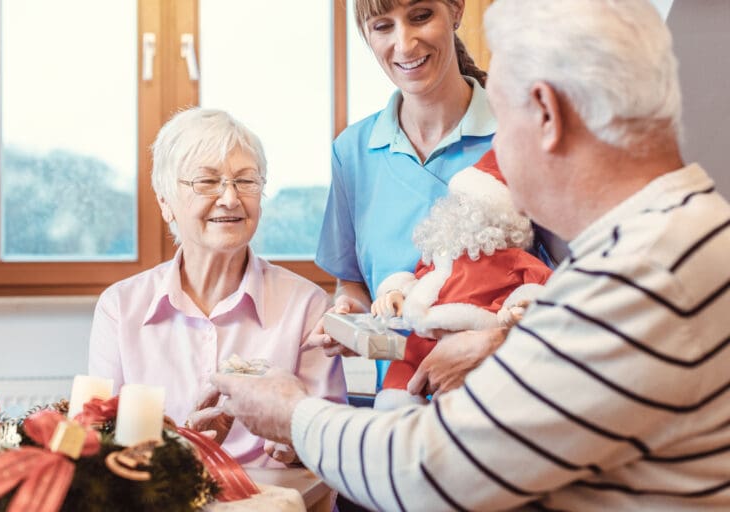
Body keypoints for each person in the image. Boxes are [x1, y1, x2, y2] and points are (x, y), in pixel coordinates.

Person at [204, 0, 730, 509]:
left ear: (545, 112)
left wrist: (292, 414)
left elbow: (430, 472)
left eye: (501, 110)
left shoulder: (641, 273)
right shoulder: (675, 235)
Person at [88, 108, 346, 468]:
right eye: (207, 182)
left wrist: (297, 448)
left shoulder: (306, 305)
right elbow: (97, 446)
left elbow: (336, 449)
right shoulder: (119, 307)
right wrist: (179, 451)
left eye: (246, 181)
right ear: (165, 202)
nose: (230, 198)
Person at [311, 0, 506, 386]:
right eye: (383, 26)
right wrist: (351, 311)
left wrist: (497, 340)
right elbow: (353, 282)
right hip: (399, 410)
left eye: (420, 17)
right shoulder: (352, 153)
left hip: (501, 402)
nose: (404, 44)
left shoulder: (518, 132)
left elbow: (567, 283)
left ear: (456, 10)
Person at [369, 150, 552, 408]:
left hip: (474, 346)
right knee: (398, 390)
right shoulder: (441, 252)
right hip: (421, 338)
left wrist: (522, 307)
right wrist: (394, 294)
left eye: (470, 205)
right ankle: (398, 405)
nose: (460, 211)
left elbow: (540, 287)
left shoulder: (513, 260)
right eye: (459, 202)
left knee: (462, 408)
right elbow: (418, 280)